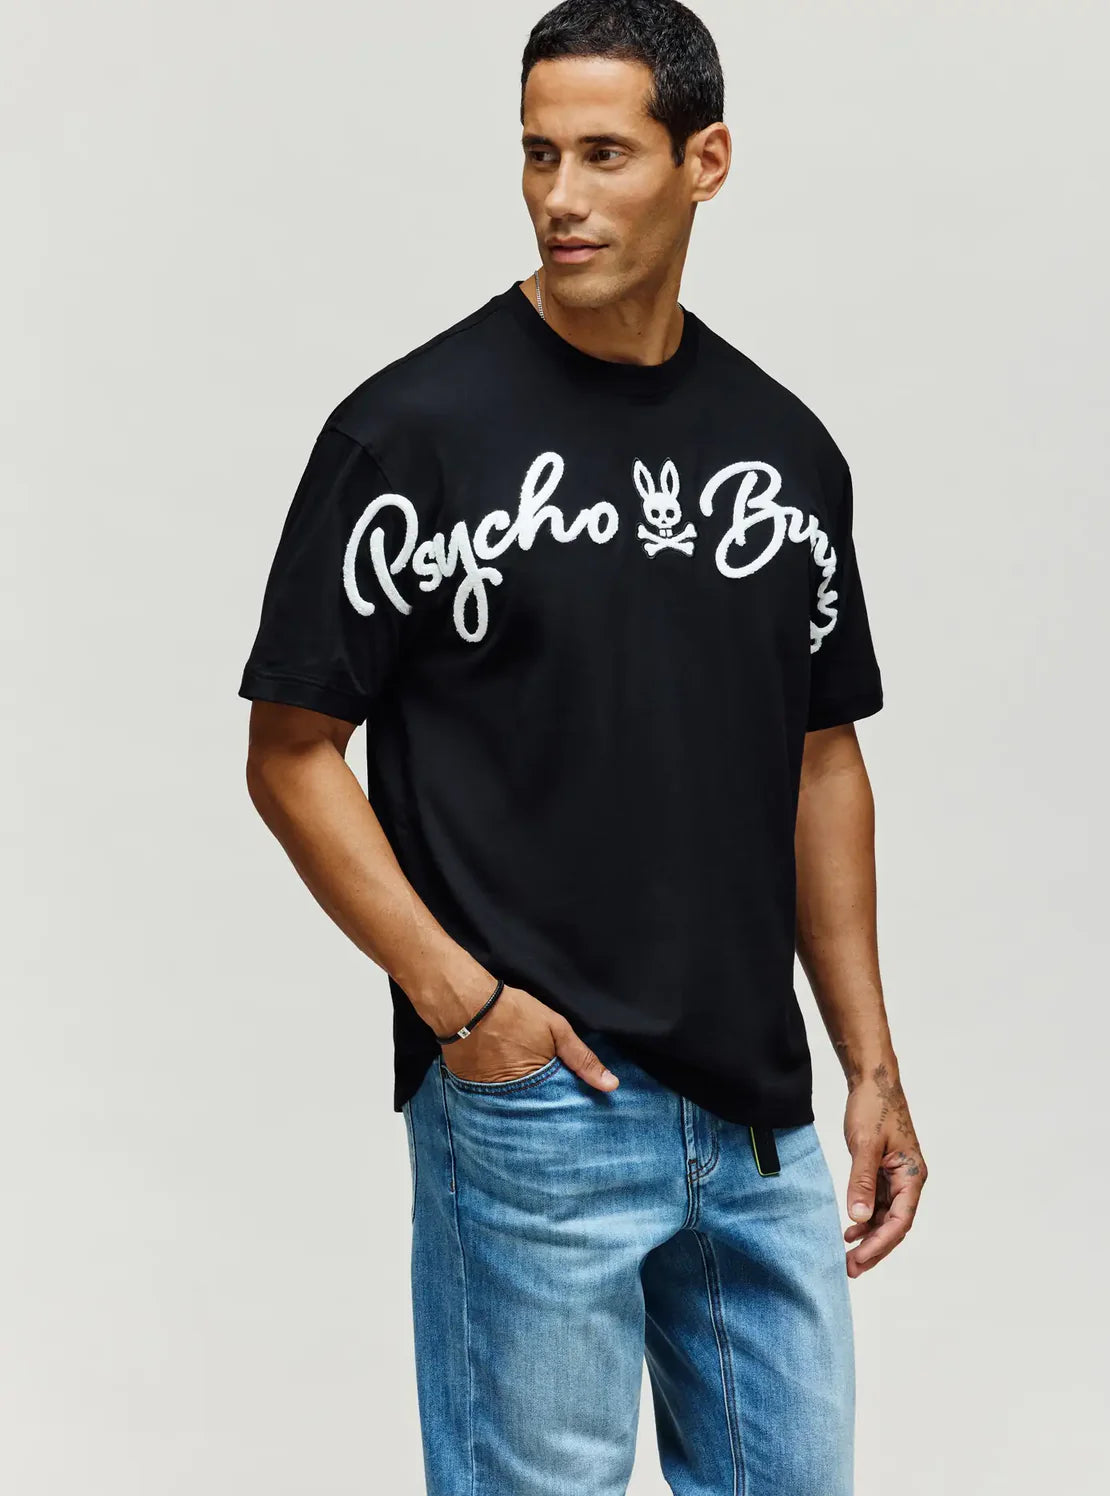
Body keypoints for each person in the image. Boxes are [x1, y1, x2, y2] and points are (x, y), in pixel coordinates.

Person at [238, 1, 928, 1490]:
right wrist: (464, 1008)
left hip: (758, 1123)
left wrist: (869, 1066)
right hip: (541, 1111)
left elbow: (823, 761)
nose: (562, 195)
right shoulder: (408, 436)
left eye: (606, 154)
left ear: (705, 161)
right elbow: (289, 753)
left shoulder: (786, 453)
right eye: (539, 154)